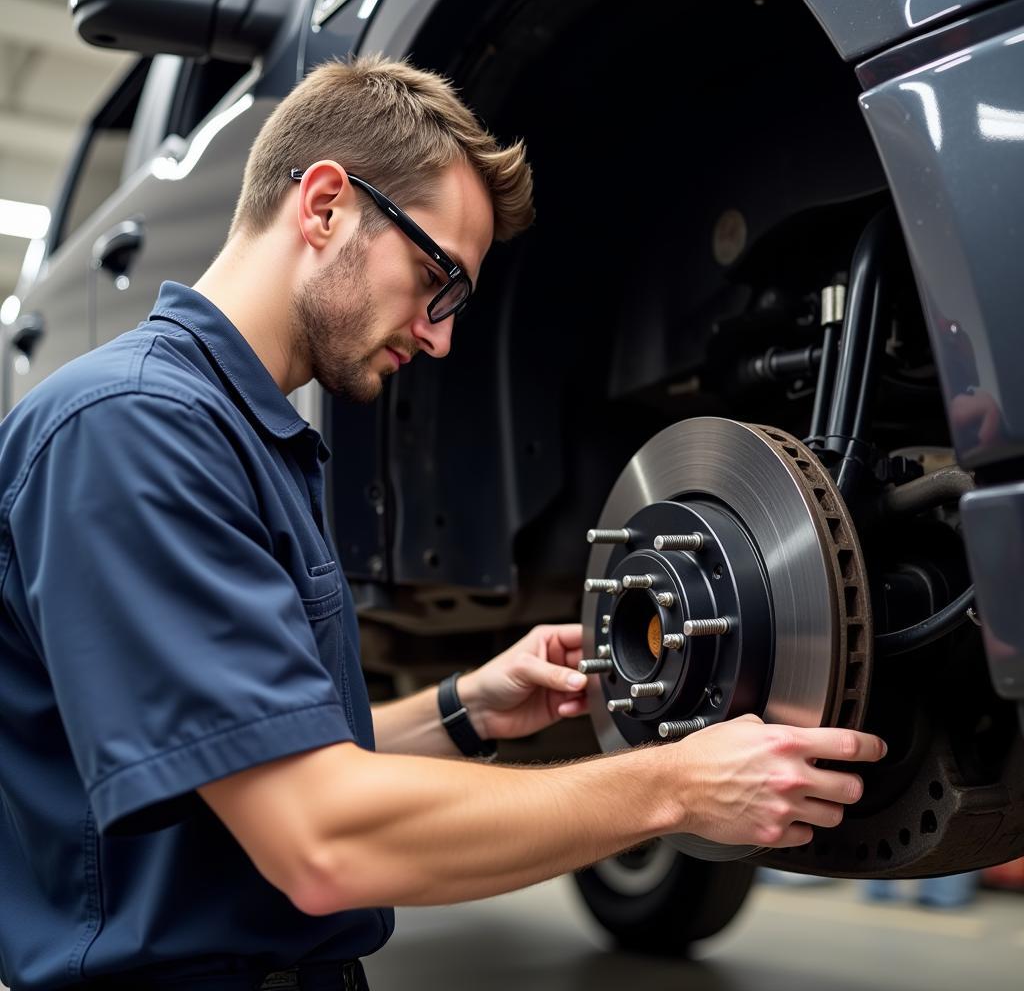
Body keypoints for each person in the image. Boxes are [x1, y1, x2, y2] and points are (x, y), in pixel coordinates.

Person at [0, 55, 886, 990]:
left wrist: (467, 709)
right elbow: (321, 838)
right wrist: (674, 789)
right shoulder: (132, 429)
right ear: (326, 205)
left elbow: (266, 758)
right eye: (438, 279)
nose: (440, 335)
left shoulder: (245, 438)